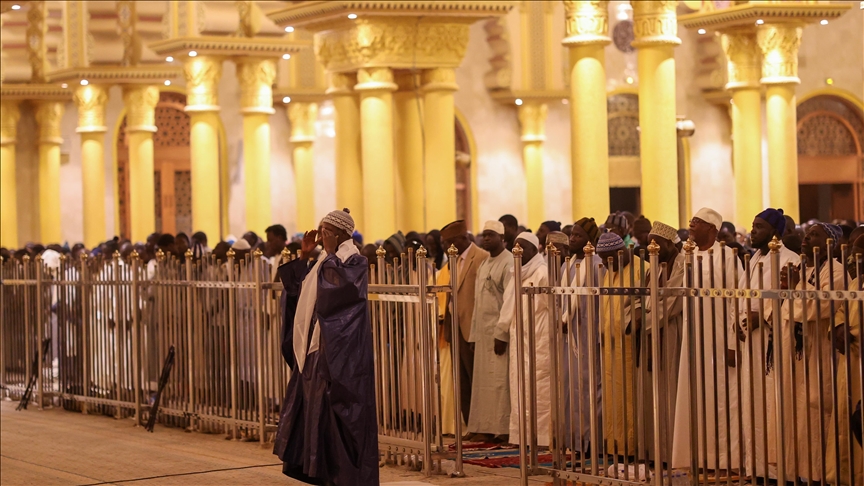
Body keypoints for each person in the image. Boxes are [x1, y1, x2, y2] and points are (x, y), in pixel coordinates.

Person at [273, 208, 378, 486]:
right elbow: (302, 291)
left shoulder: (354, 261)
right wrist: (305, 256)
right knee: (313, 415)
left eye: (326, 233)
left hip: (339, 356)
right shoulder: (324, 261)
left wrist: (328, 255)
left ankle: (345, 477)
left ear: (342, 234)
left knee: (338, 416)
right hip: (316, 350)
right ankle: (321, 473)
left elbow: (337, 295)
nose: (322, 238)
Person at [772, 222, 845, 482]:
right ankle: (800, 473)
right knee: (797, 414)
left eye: (815, 235)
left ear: (830, 244)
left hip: (822, 349)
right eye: (807, 234)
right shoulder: (803, 268)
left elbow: (822, 306)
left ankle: (821, 475)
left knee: (818, 410)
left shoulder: (835, 272)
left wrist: (795, 286)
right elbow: (785, 309)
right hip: (799, 351)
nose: (806, 239)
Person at [672, 207, 742, 474]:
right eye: (691, 220)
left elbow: (737, 299)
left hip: (718, 336)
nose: (691, 224)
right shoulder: (687, 255)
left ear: (712, 229)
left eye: (697, 222)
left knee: (719, 397)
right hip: (693, 337)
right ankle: (695, 457)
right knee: (693, 395)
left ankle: (722, 461)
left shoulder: (726, 256)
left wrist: (733, 341)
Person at [736, 208, 799, 480]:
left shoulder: (790, 259)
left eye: (759, 227)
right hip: (751, 341)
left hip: (775, 342)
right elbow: (739, 295)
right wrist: (738, 320)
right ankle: (756, 468)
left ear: (774, 232)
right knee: (752, 405)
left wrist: (762, 317)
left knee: (773, 405)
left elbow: (791, 299)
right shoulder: (753, 259)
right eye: (753, 226)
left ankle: (778, 471)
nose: (753, 231)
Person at [494, 232, 550, 446]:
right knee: (519, 387)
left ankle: (541, 438)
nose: (517, 252)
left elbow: (552, 307)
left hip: (539, 338)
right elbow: (509, 305)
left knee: (539, 390)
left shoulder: (542, 272)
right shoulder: (517, 272)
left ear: (534, 250)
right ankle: (520, 436)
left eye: (522, 248)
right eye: (515, 247)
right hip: (520, 338)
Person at [596, 232, 647, 458]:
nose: (608, 265)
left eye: (610, 259)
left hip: (629, 347)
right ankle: (614, 445)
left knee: (630, 397)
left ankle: (632, 447)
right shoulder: (610, 271)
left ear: (621, 252)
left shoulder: (641, 269)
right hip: (609, 345)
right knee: (611, 397)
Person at [640, 221, 685, 462]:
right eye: (649, 243)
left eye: (656, 243)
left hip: (673, 332)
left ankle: (673, 453)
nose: (651, 248)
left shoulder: (683, 266)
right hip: (652, 333)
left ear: (669, 243)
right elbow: (645, 299)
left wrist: (644, 324)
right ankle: (656, 450)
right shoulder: (653, 268)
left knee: (672, 390)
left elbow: (672, 303)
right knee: (654, 392)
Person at [437, 220, 488, 431]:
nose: (446, 247)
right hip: (455, 326)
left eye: (449, 242)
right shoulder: (452, 261)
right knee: (462, 382)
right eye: (444, 243)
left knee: (478, 381)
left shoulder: (482, 258)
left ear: (463, 239)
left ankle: (482, 426)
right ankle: (469, 426)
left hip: (474, 327)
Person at [466, 221, 513, 443]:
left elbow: (509, 302)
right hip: (483, 334)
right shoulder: (485, 263)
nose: (486, 239)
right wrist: (474, 335)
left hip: (498, 332)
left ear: (501, 238)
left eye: (490, 235)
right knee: (482, 383)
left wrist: (501, 334)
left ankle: (502, 428)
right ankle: (482, 425)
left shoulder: (509, 262)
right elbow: (477, 302)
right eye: (484, 235)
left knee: (499, 381)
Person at [561, 217, 603, 454]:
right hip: (571, 338)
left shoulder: (597, 265)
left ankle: (591, 442)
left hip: (590, 336)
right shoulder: (566, 266)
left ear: (589, 239)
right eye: (572, 235)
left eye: (577, 235)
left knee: (590, 390)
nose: (572, 239)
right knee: (571, 389)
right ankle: (574, 440)